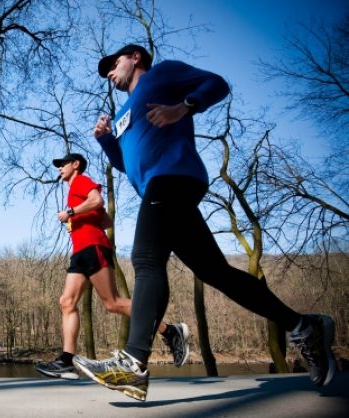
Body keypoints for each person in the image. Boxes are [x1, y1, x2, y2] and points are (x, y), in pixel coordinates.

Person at [71, 44, 337, 401]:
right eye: (104, 71)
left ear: (135, 57)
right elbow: (125, 163)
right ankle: (304, 326)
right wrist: (106, 141)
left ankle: (133, 364)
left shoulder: (162, 74)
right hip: (157, 186)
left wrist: (184, 107)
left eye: (113, 63)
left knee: (147, 259)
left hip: (173, 178)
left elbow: (216, 84)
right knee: (216, 272)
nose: (108, 72)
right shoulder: (122, 114)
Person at [35, 153, 190, 380]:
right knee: (66, 302)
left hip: (93, 248)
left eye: (63, 164)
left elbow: (97, 201)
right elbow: (106, 220)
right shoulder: (74, 189)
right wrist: (81, 219)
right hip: (80, 251)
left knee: (113, 303)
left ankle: (171, 331)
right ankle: (67, 361)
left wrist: (71, 213)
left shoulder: (81, 180)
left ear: (75, 165)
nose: (59, 168)